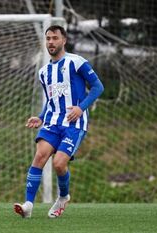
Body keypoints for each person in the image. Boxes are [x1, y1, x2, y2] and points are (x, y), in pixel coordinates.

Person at [13, 25, 104, 218]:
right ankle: (28, 205)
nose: (51, 42)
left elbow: (98, 87)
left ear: (64, 40)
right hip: (52, 122)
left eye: (55, 38)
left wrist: (81, 108)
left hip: (74, 123)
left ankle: (63, 197)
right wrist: (40, 116)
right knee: (39, 156)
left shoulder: (77, 62)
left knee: (59, 164)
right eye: (48, 39)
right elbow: (51, 100)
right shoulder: (44, 72)